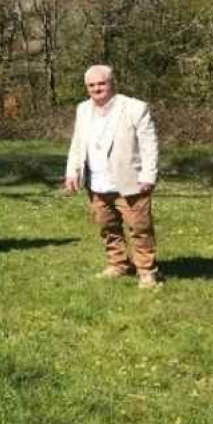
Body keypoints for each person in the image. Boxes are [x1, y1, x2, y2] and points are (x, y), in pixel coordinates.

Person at [64, 65, 160, 288]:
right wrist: (72, 171)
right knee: (107, 227)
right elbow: (77, 143)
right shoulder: (83, 109)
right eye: (91, 85)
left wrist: (149, 174)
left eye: (101, 83)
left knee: (140, 227)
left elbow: (149, 145)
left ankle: (146, 270)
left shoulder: (135, 107)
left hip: (131, 181)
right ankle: (117, 263)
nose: (97, 88)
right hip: (97, 182)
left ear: (112, 83)